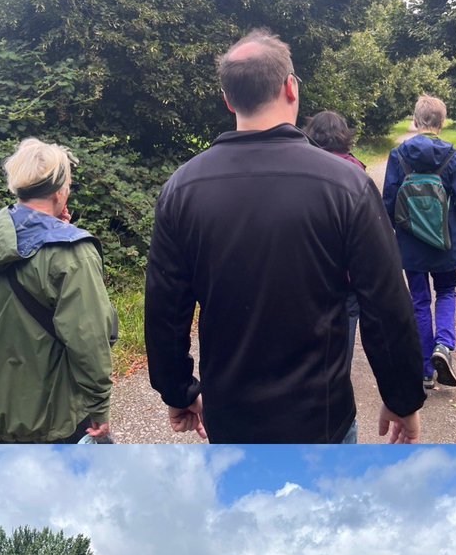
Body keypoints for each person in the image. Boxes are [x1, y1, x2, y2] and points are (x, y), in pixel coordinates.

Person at [145, 31, 424, 444]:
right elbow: (385, 303)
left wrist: (179, 390)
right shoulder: (345, 183)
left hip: (231, 420)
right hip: (321, 422)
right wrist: (402, 399)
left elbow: (166, 308)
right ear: (290, 88)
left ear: (228, 99)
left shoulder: (182, 188)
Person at [0, 138, 115, 443]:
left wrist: (59, 228)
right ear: (60, 191)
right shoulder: (72, 253)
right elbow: (89, 338)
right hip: (54, 412)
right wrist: (100, 407)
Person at [381, 95, 456, 390]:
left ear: (416, 120)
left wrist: (401, 231)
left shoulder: (399, 156)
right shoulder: (452, 157)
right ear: (442, 123)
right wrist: (453, 228)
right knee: (447, 290)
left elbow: (389, 202)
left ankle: (424, 371)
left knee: (419, 301)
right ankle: (443, 345)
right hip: (445, 242)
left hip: (411, 244)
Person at [305, 110, 365, 370]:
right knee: (348, 323)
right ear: (344, 136)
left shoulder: (302, 167)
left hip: (309, 269)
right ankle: (339, 376)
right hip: (347, 273)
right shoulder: (355, 170)